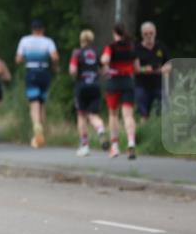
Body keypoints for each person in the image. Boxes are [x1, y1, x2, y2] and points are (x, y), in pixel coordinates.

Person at [15, 19, 59, 148]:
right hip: (44, 72)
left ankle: (37, 128)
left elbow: (18, 59)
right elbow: (55, 57)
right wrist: (55, 67)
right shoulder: (48, 41)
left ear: (32, 29)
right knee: (42, 104)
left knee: (34, 104)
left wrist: (26, 58)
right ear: (43, 29)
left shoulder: (25, 40)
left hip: (32, 72)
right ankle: (41, 136)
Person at [101, 23, 140, 160]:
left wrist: (106, 67)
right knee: (128, 115)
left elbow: (104, 59)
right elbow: (137, 68)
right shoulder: (131, 47)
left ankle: (115, 146)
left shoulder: (110, 47)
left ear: (114, 33)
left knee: (113, 114)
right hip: (128, 82)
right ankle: (131, 143)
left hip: (114, 82)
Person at [69, 30, 109, 156]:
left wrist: (74, 75)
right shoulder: (96, 53)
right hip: (95, 86)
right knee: (93, 116)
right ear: (91, 40)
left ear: (81, 40)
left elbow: (73, 70)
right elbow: (105, 71)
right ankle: (101, 131)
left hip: (82, 86)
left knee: (81, 116)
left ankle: (85, 146)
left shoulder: (77, 53)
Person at [134, 22, 171, 121]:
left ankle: (160, 132)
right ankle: (144, 132)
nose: (149, 36)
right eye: (146, 34)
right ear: (142, 35)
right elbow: (135, 69)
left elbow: (169, 64)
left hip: (159, 85)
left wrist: (164, 69)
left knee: (165, 111)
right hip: (142, 86)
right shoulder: (137, 49)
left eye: (151, 33)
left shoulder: (161, 47)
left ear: (155, 33)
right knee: (143, 114)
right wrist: (145, 69)